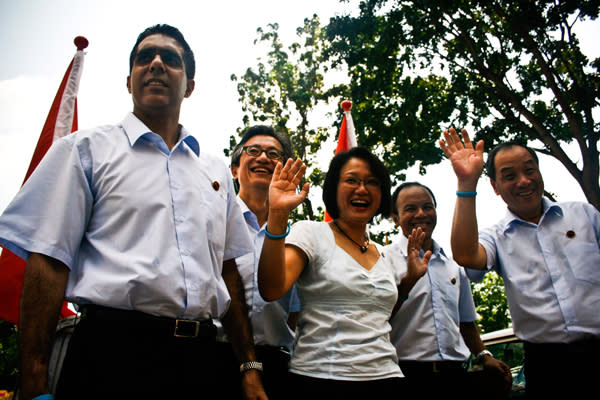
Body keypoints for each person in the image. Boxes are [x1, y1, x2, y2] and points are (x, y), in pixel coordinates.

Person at [0, 24, 266, 399]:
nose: (156, 63)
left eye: (171, 59)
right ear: (129, 81)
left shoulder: (215, 170)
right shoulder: (85, 151)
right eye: (145, 57)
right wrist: (33, 381)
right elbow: (48, 261)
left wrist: (248, 367)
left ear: (189, 86)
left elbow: (227, 273)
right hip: (111, 356)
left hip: (203, 362)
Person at [257, 147, 430, 398]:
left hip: (387, 377)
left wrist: (408, 282)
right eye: (351, 180)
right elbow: (271, 289)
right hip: (320, 379)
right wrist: (278, 215)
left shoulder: (385, 255)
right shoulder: (311, 233)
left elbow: (377, 316)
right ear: (333, 189)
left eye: (372, 182)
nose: (362, 189)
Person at [439, 128, 600, 399]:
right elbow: (466, 256)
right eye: (510, 176)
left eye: (530, 170)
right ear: (495, 186)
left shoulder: (584, 215)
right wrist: (466, 184)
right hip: (549, 365)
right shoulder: (497, 237)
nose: (524, 181)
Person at [384, 182, 511, 399]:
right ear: (395, 218)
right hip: (405, 377)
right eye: (410, 209)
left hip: (455, 377)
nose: (421, 214)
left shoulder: (453, 265)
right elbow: (377, 320)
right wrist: (408, 282)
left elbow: (466, 323)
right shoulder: (383, 261)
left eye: (427, 206)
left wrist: (484, 355)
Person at [216, 125, 300, 399]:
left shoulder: (297, 238)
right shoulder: (213, 222)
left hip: (280, 365)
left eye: (274, 154)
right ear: (233, 169)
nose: (264, 158)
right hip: (216, 357)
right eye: (254, 151)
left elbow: (296, 313)